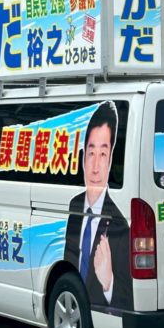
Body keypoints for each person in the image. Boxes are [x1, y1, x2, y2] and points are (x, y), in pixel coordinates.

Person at [64, 102, 132, 310]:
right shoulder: (75, 206)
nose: (95, 167)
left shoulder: (120, 226)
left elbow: (129, 297)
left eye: (103, 155)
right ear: (83, 157)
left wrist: (108, 282)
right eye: (91, 153)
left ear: (110, 160)